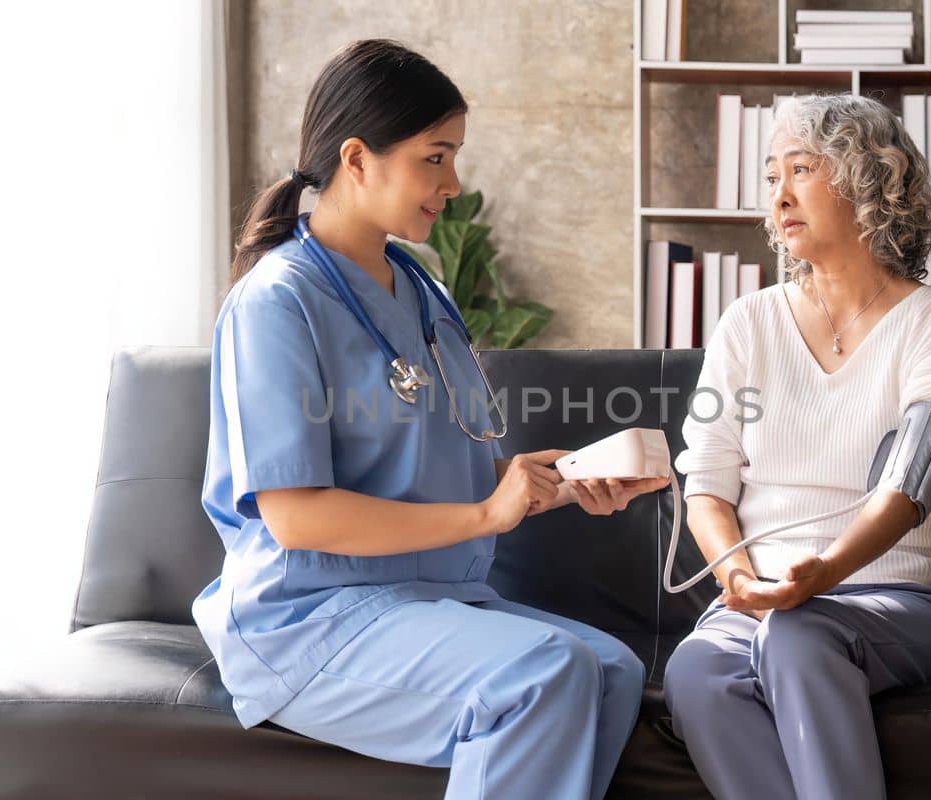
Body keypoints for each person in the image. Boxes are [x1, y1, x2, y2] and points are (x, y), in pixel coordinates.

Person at [191, 39, 663, 800]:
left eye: (453, 158)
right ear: (357, 159)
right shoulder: (277, 302)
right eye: (434, 158)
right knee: (544, 673)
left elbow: (445, 467)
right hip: (311, 617)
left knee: (610, 668)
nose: (452, 182)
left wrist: (549, 483)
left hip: (425, 599)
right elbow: (297, 517)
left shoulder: (423, 290)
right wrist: (485, 511)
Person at [663, 93, 931, 800]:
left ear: (869, 181)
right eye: (771, 175)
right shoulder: (747, 324)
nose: (779, 195)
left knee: (799, 636)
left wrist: (825, 575)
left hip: (899, 599)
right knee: (696, 671)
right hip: (763, 600)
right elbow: (708, 485)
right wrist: (737, 582)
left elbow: (912, 482)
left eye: (802, 169)